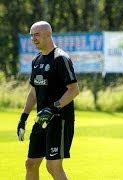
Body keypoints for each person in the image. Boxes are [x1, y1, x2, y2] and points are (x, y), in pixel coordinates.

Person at [17, 21, 79, 180]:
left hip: (59, 121)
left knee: (52, 166)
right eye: (31, 35)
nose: (33, 38)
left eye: (36, 34)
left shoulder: (61, 58)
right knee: (31, 163)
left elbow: (74, 90)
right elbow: (33, 92)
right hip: (41, 120)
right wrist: (23, 118)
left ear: (48, 34)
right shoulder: (36, 60)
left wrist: (53, 108)